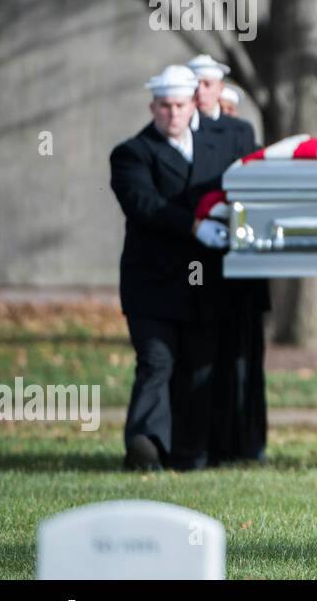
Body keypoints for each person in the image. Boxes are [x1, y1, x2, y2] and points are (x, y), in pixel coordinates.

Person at [109, 65, 229, 471]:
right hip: (152, 282)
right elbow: (144, 204)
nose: (172, 114)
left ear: (194, 103)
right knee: (157, 362)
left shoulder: (215, 147)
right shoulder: (131, 153)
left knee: (198, 364)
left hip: (202, 279)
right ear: (152, 107)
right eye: (164, 106)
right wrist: (195, 226)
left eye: (179, 105)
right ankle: (145, 446)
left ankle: (189, 452)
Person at [187, 52, 267, 464]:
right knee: (201, 358)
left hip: (237, 264)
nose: (200, 93)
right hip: (196, 264)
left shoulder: (238, 131)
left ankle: (241, 444)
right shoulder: (182, 131)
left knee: (241, 359)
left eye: (207, 84)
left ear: (219, 87)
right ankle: (201, 446)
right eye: (194, 84)